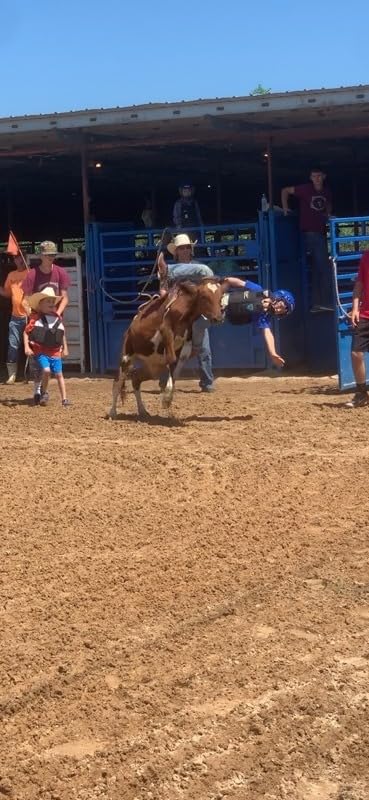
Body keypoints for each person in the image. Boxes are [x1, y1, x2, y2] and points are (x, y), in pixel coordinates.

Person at [158, 233, 215, 392]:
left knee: (204, 350)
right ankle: (165, 382)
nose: (184, 250)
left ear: (191, 250)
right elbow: (162, 290)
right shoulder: (199, 269)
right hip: (178, 314)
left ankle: (207, 383)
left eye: (187, 248)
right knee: (170, 347)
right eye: (181, 248)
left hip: (196, 314)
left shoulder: (200, 269)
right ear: (176, 252)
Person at [22, 240, 70, 403]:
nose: (51, 257)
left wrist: (56, 313)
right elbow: (26, 299)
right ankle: (39, 390)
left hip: (54, 319)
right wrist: (32, 313)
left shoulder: (60, 272)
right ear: (41, 255)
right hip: (38, 319)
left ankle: (43, 391)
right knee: (38, 359)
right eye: (48, 255)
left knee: (52, 355)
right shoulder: (32, 275)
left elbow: (64, 298)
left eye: (53, 255)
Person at [281, 168, 333, 312]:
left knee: (318, 268)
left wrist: (328, 214)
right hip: (311, 233)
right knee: (324, 268)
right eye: (314, 176)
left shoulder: (326, 192)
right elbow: (285, 190)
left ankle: (318, 304)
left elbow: (328, 204)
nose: (316, 179)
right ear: (310, 177)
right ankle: (327, 302)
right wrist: (285, 209)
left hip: (321, 233)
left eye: (319, 176)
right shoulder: (305, 189)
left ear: (324, 176)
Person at [222, 280, 295, 367]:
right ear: (278, 297)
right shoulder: (257, 290)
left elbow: (268, 333)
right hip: (219, 299)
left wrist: (273, 353)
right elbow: (236, 282)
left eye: (281, 311)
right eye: (280, 306)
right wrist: (224, 284)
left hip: (220, 315)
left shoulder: (264, 317)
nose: (278, 310)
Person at [23, 287, 70, 407]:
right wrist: (27, 347)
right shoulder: (35, 319)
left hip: (55, 352)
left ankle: (63, 399)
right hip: (39, 351)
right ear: (40, 305)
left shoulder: (57, 319)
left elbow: (61, 333)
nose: (51, 304)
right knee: (40, 372)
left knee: (56, 374)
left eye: (52, 302)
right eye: (47, 301)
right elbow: (26, 332)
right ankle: (39, 392)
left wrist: (65, 348)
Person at [345, 250, 369, 408]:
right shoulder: (366, 256)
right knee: (356, 353)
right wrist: (355, 308)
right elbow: (359, 283)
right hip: (366, 313)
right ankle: (362, 393)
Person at [0, 252, 29, 384]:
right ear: (14, 261)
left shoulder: (31, 273)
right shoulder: (11, 275)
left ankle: (32, 373)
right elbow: (6, 293)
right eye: (16, 258)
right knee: (13, 345)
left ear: (26, 259)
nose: (19, 260)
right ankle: (12, 375)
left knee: (32, 345)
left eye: (21, 257)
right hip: (15, 317)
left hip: (30, 316)